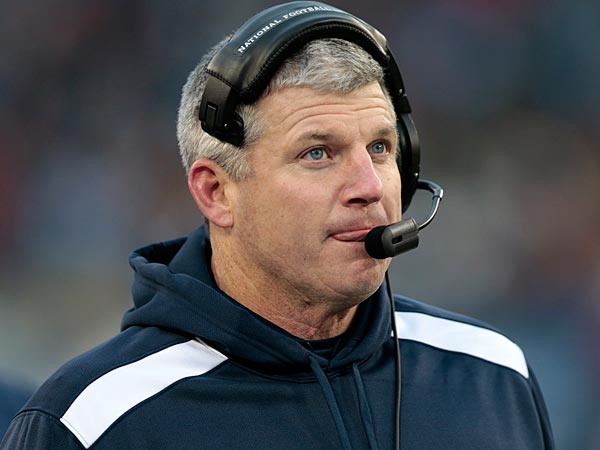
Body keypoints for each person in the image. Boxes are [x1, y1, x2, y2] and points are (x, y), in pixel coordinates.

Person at [1, 2, 555, 449]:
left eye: (381, 147)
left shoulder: (494, 375)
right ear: (216, 192)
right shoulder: (92, 422)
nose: (369, 186)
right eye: (318, 153)